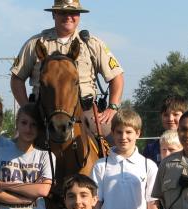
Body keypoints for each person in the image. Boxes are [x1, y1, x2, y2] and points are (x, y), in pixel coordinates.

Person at [10, 0, 124, 138]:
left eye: (73, 12)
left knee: (116, 141)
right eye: (62, 12)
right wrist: (26, 109)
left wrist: (112, 107)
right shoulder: (35, 43)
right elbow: (17, 78)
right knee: (17, 147)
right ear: (54, 14)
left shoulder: (91, 43)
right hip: (42, 112)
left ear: (79, 16)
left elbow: (116, 76)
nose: (68, 16)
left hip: (85, 112)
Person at [90, 108, 158, 209]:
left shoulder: (149, 166)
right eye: (119, 132)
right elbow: (95, 206)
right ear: (112, 133)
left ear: (138, 133)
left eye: (129, 132)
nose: (123, 137)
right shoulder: (101, 165)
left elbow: (152, 208)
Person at [143, 95, 187, 164]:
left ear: (184, 116)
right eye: (166, 115)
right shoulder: (151, 148)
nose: (170, 119)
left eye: (175, 114)